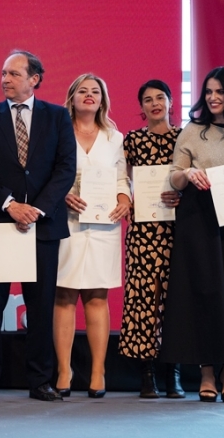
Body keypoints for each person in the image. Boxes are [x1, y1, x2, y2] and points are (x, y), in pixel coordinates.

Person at [0, 50, 75, 403]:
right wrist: (11, 205)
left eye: (13, 73)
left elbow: (65, 169)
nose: (5, 79)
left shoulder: (58, 117)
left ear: (34, 79)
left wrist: (38, 209)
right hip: (0, 223)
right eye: (3, 73)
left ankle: (40, 380)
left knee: (41, 305)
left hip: (42, 227)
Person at [161, 66, 224, 403]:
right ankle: (205, 373)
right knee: (203, 293)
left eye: (220, 91)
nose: (213, 98)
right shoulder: (194, 130)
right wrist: (187, 173)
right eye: (209, 91)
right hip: (199, 220)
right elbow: (173, 177)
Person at [54, 73, 130, 399]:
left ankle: (98, 371)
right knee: (64, 297)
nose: (89, 95)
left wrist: (125, 198)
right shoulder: (57, 133)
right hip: (66, 223)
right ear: (71, 97)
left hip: (103, 225)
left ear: (102, 99)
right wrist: (61, 196)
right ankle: (63, 370)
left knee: (97, 297)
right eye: (82, 91)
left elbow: (122, 178)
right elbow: (48, 174)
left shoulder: (115, 137)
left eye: (95, 91)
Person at [118, 80, 185, 398]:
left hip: (180, 231)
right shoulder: (131, 140)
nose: (155, 103)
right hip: (144, 232)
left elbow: (195, 181)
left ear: (171, 102)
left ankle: (173, 372)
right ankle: (146, 374)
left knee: (176, 302)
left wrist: (182, 197)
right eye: (147, 99)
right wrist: (126, 198)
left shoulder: (186, 138)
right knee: (144, 300)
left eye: (160, 97)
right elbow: (122, 178)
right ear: (141, 108)